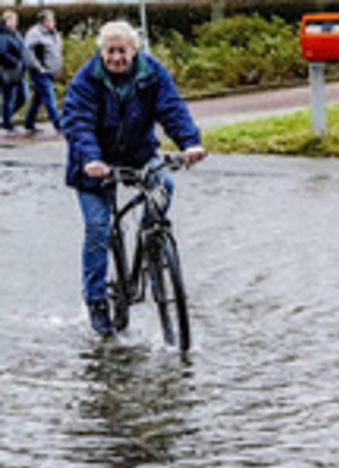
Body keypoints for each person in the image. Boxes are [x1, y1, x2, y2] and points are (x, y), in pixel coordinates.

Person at [62, 20, 206, 336]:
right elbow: (77, 121)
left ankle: (153, 250)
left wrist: (190, 143)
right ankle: (98, 300)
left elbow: (171, 108)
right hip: (93, 164)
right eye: (110, 51)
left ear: (133, 50)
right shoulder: (87, 79)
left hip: (138, 154)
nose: (116, 58)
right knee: (99, 228)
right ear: (101, 51)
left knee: (163, 184)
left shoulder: (152, 73)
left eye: (121, 51)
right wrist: (90, 159)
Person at [23, 9, 62, 134]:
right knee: (49, 98)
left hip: (50, 72)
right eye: (51, 20)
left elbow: (56, 51)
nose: (53, 22)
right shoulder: (35, 33)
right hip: (40, 72)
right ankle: (59, 125)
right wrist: (37, 67)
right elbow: (28, 51)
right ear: (44, 21)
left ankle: (29, 122)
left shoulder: (53, 33)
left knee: (38, 99)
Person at [0, 10, 25, 135]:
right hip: (8, 72)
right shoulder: (3, 35)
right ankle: (8, 124)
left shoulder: (16, 34)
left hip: (19, 72)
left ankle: (5, 117)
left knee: (23, 97)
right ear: (7, 21)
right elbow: (2, 52)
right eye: (14, 20)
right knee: (9, 98)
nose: (16, 22)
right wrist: (15, 61)